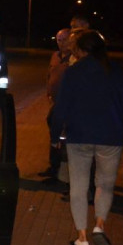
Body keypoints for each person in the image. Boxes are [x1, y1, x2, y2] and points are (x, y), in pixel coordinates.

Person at [51, 29, 123, 245]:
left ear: (79, 50)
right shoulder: (117, 71)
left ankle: (82, 237)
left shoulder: (73, 72)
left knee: (78, 186)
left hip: (80, 137)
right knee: (105, 184)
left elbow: (61, 109)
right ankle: (99, 226)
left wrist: (55, 136)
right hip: (111, 137)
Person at [40, 28, 72, 181]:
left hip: (66, 105)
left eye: (64, 39)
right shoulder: (55, 56)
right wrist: (48, 91)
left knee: (61, 137)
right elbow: (50, 75)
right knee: (54, 133)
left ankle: (60, 171)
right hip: (55, 103)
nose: (61, 43)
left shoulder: (74, 59)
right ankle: (53, 167)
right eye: (59, 40)